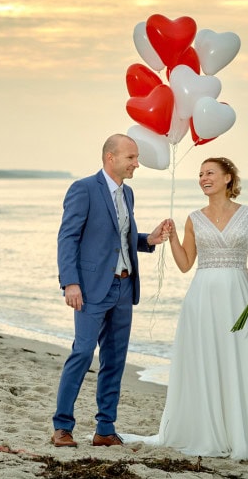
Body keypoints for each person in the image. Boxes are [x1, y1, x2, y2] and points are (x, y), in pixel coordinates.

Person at [126, 156, 248, 462]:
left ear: (228, 178)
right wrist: (173, 236)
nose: (203, 178)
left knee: (234, 358)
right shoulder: (194, 217)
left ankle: (235, 434)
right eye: (201, 174)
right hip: (201, 300)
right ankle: (206, 432)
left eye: (210, 173)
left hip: (235, 297)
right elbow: (184, 264)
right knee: (204, 361)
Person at [51, 134, 169, 448]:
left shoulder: (128, 194)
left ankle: (105, 429)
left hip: (124, 287)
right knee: (82, 353)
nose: (136, 163)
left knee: (115, 360)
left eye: (137, 157)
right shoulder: (84, 189)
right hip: (90, 289)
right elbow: (68, 238)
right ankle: (62, 426)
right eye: (131, 157)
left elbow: (121, 238)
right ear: (110, 158)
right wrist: (70, 282)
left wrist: (149, 240)